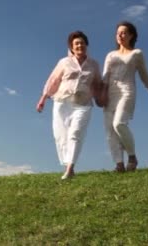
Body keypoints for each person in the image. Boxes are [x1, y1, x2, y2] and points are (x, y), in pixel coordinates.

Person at [36, 31, 103, 180]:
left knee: (76, 134)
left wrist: (100, 99)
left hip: (83, 103)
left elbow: (98, 84)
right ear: (72, 48)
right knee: (61, 135)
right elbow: (54, 80)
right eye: (76, 44)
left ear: (86, 45)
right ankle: (67, 164)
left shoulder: (94, 64)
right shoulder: (64, 62)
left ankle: (70, 167)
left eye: (82, 43)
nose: (80, 45)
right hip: (62, 102)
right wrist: (43, 98)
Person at [100, 21, 148, 173]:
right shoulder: (111, 55)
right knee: (110, 131)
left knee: (119, 124)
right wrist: (101, 94)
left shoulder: (136, 54)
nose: (120, 35)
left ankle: (132, 157)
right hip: (110, 93)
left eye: (124, 32)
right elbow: (105, 76)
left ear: (131, 35)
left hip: (127, 92)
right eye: (118, 32)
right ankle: (119, 164)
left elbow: (144, 75)